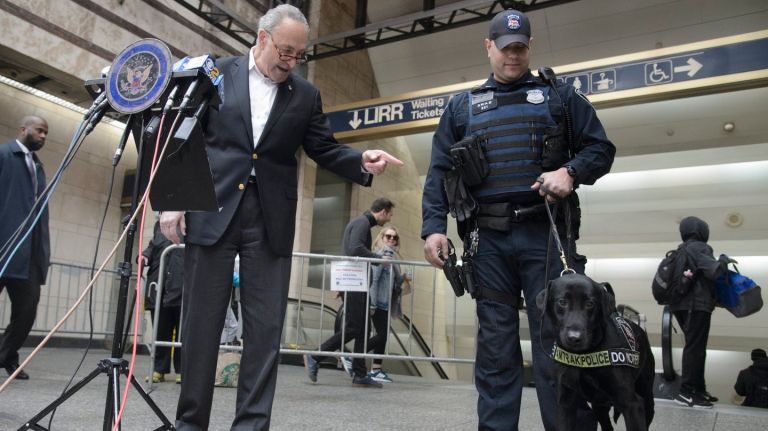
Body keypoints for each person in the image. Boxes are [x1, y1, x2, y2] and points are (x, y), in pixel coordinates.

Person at [158, 5, 402, 430]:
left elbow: (323, 148)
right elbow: (187, 133)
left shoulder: (304, 95)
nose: (291, 61)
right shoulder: (217, 73)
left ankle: (251, 425)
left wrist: (360, 159)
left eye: (298, 55)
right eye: (285, 51)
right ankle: (190, 423)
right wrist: (175, 199)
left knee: (265, 329)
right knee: (201, 326)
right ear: (262, 38)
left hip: (269, 217)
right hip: (212, 208)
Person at [421, 9, 615, 430]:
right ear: (488, 47)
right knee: (495, 348)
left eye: (521, 47)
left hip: (544, 233)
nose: (514, 55)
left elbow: (601, 149)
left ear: (530, 47)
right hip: (487, 240)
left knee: (560, 346)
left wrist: (572, 172)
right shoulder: (462, 107)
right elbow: (439, 172)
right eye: (506, 48)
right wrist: (434, 227)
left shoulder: (560, 98)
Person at [304, 198, 395, 388]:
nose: (389, 219)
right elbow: (355, 249)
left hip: (355, 283)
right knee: (355, 327)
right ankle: (315, 355)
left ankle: (360, 374)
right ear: (383, 212)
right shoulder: (362, 223)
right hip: (355, 283)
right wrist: (379, 259)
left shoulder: (360, 223)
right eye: (389, 214)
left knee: (363, 329)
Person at [0, 116, 50, 381]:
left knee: (27, 310)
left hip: (27, 254)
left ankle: (6, 356)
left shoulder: (38, 167)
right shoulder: (4, 155)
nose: (42, 136)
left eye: (45, 133)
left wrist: (43, 253)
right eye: (38, 130)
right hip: (3, 248)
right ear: (23, 129)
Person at [671, 216, 727, 409]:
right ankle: (686, 392)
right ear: (701, 231)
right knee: (695, 348)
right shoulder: (700, 248)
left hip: (680, 305)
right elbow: (714, 270)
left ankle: (698, 389)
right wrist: (723, 261)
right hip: (697, 305)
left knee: (695, 347)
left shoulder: (681, 250)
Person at [140, 219, 183, 384]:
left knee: (183, 333)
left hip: (182, 284)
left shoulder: (192, 220)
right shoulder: (160, 224)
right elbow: (153, 246)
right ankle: (159, 369)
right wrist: (145, 256)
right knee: (160, 329)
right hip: (159, 285)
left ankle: (182, 370)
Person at [367, 225, 410, 383]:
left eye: (395, 237)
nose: (392, 239)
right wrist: (372, 304)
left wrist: (403, 277)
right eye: (388, 236)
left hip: (386, 302)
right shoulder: (380, 255)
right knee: (382, 336)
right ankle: (355, 354)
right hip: (378, 302)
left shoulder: (393, 257)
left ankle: (376, 370)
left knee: (383, 337)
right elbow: (374, 280)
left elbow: (394, 282)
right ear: (381, 237)